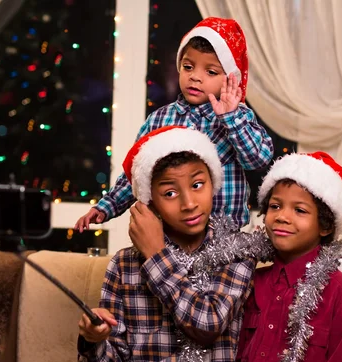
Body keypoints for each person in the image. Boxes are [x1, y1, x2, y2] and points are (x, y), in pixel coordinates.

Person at [77, 126, 263, 362]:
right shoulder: (124, 264)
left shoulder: (236, 252)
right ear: (150, 203)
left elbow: (207, 325)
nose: (189, 203)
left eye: (197, 185)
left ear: (213, 185)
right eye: (170, 193)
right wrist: (93, 341)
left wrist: (155, 255)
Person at [75, 17, 273, 232]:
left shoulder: (239, 116)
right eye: (188, 67)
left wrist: (231, 119)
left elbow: (258, 160)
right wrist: (106, 207)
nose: (195, 77)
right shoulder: (159, 120)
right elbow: (135, 172)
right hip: (171, 239)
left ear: (230, 79)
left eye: (211, 72)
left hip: (225, 240)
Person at [228, 152, 342, 362]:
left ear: (325, 225)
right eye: (275, 206)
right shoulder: (252, 280)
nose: (282, 216)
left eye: (300, 210)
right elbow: (235, 360)